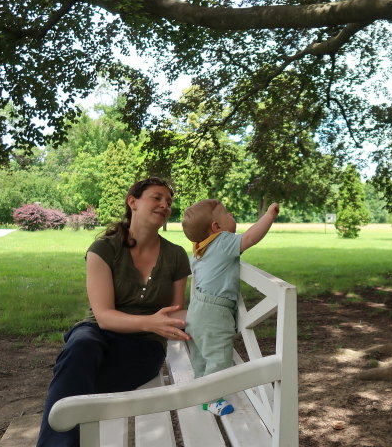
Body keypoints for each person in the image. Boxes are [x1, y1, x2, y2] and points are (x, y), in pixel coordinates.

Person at [37, 177, 192, 447]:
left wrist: (214, 315)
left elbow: (176, 312)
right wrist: (150, 322)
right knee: (81, 346)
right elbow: (105, 317)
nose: (165, 205)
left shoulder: (176, 254)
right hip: (99, 331)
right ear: (133, 202)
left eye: (169, 201)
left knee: (74, 387)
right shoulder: (104, 249)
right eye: (157, 197)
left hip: (144, 346)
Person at [181, 199, 279, 415]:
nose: (232, 215)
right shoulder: (224, 241)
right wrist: (269, 216)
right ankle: (214, 399)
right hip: (214, 312)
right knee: (219, 356)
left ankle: (202, 392)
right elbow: (251, 237)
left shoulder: (199, 250)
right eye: (228, 214)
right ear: (217, 227)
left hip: (196, 309)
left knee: (200, 355)